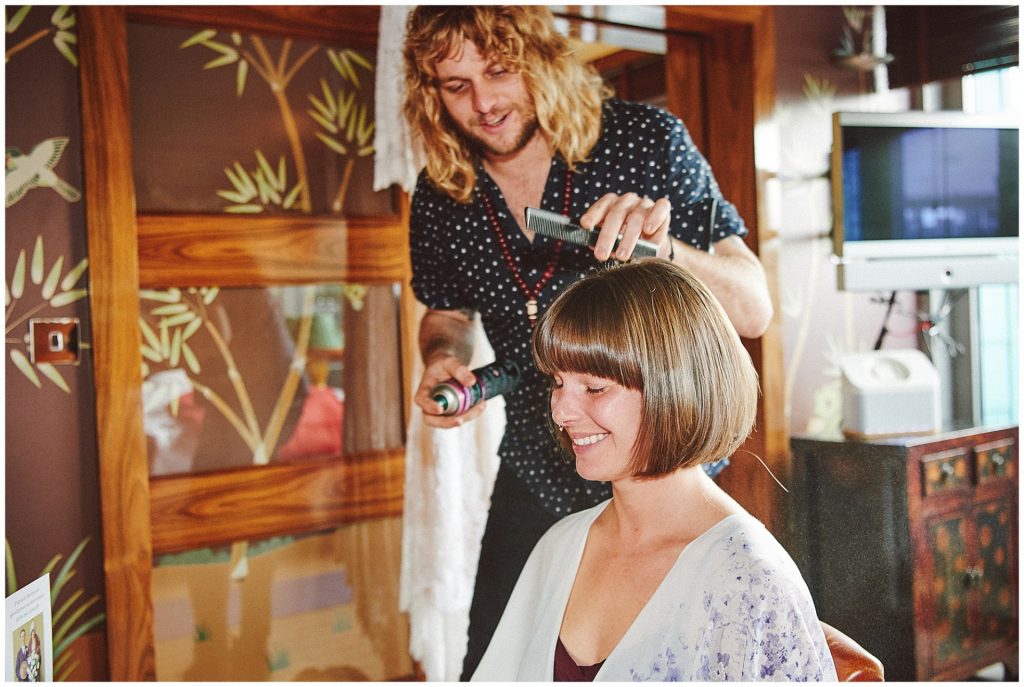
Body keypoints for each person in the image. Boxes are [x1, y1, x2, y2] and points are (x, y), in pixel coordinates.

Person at [402, 6, 773, 678]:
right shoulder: (440, 195)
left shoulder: (645, 142)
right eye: (455, 86)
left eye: (497, 69)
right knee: (491, 663)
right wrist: (441, 355)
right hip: (535, 467)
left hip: (656, 475)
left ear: (540, 56)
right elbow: (446, 313)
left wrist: (667, 250)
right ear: (430, 94)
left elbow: (753, 308)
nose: (482, 103)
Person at [472, 260, 835, 681]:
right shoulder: (560, 546)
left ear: (676, 386)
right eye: (557, 383)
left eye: (594, 388)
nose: (560, 412)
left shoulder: (750, 578)